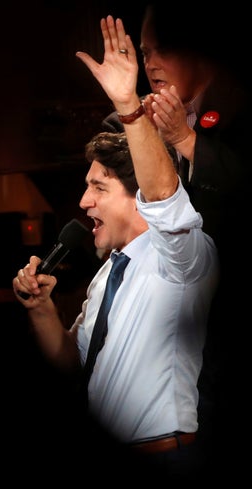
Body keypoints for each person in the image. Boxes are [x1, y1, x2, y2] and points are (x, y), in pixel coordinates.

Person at [13, 15, 220, 480]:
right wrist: (41, 308)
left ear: (137, 196)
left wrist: (128, 104)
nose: (84, 201)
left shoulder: (180, 259)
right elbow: (72, 363)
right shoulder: (109, 274)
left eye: (99, 187)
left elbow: (166, 197)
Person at [98, 3, 252, 474]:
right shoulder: (170, 118)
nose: (151, 63)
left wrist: (185, 140)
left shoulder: (241, 111)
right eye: (145, 52)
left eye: (162, 48)